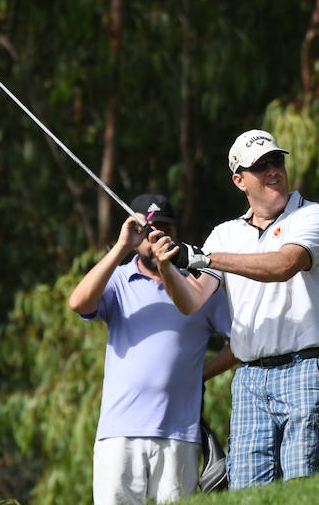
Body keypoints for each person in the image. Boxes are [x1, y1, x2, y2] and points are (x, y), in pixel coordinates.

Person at [149, 129, 319, 489]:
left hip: (308, 366)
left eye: (276, 161)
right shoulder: (225, 233)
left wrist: (204, 258)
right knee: (247, 491)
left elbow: (283, 265)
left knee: (302, 485)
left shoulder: (314, 216)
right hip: (251, 380)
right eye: (260, 166)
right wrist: (166, 265)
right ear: (239, 179)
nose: (273, 171)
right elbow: (191, 300)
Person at [68, 193, 237, 505]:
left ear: (175, 234)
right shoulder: (118, 280)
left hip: (178, 434)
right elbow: (79, 302)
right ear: (136, 233)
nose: (157, 236)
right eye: (148, 229)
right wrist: (121, 247)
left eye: (165, 229)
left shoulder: (199, 286)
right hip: (119, 432)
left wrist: (200, 373)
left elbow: (240, 344)